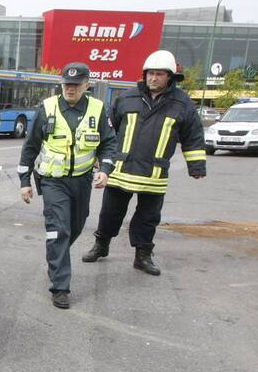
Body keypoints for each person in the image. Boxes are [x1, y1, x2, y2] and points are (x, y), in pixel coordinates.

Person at [81, 50, 206, 276]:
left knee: (148, 218)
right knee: (110, 213)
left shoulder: (182, 104)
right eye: (150, 73)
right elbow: (108, 132)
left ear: (170, 77)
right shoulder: (126, 98)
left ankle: (143, 255)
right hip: (121, 170)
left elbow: (193, 135)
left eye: (159, 74)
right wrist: (102, 159)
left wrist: (196, 166)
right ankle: (101, 245)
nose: (153, 78)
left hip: (154, 173)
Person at [18, 62, 117, 309]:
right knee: (59, 231)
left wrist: (104, 170)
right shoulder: (47, 108)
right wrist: (24, 182)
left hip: (82, 181)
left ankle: (56, 255)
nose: (70, 88)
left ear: (86, 85)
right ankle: (60, 287)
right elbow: (30, 146)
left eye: (75, 84)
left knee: (75, 226)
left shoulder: (98, 109)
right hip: (53, 181)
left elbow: (109, 144)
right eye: (66, 84)